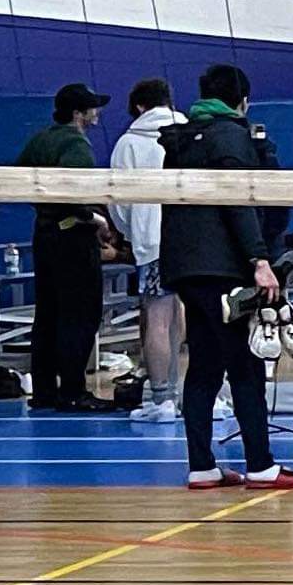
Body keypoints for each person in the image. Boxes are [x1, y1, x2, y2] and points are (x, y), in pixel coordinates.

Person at [157, 65, 293, 490]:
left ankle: (202, 466)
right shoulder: (230, 136)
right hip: (223, 269)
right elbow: (237, 203)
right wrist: (259, 259)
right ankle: (260, 465)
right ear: (243, 101)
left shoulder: (180, 139)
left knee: (205, 366)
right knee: (245, 364)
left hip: (185, 268)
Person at [17, 83, 111, 411]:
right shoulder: (75, 145)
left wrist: (46, 210)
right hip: (73, 237)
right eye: (92, 107)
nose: (97, 112)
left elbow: (18, 178)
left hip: (44, 235)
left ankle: (44, 391)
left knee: (48, 314)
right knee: (80, 314)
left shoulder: (41, 138)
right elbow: (75, 194)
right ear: (79, 114)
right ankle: (73, 389)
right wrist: (95, 219)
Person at [110, 78, 184, 422]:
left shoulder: (129, 142)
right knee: (186, 314)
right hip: (192, 241)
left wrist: (132, 233)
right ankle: (195, 393)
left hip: (153, 242)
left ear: (139, 106)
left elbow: (118, 200)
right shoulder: (190, 130)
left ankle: (161, 398)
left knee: (157, 318)